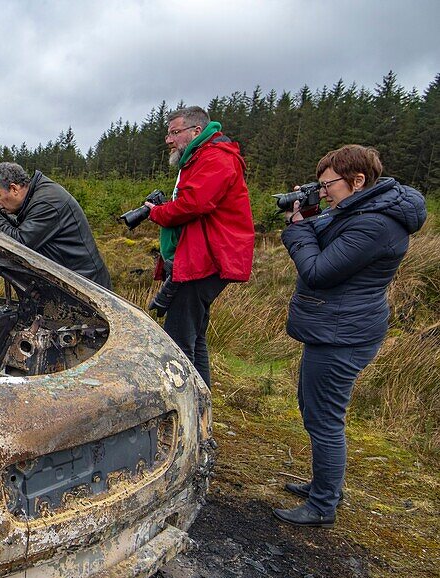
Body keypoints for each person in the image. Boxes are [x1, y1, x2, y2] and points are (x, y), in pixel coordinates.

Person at [274, 145, 425, 528]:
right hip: (335, 326)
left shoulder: (376, 224)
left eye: (329, 185)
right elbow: (327, 239)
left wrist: (297, 228)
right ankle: (323, 486)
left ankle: (323, 505)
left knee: (325, 419)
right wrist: (308, 214)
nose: (324, 193)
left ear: (358, 181)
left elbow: (318, 271)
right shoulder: (361, 208)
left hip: (344, 333)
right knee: (312, 407)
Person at [144, 106, 254, 389]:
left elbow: (195, 204)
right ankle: (201, 410)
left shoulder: (216, 157)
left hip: (206, 261)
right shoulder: (201, 157)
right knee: (194, 337)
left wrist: (157, 212)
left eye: (175, 132)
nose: (169, 139)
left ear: (196, 131)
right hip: (200, 258)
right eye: (168, 133)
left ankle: (187, 414)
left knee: (177, 341)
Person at [0, 162, 112, 288]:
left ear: (14, 188)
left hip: (87, 285)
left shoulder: (47, 202)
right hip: (72, 280)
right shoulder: (36, 195)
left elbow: (21, 243)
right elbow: (24, 231)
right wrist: (1, 217)